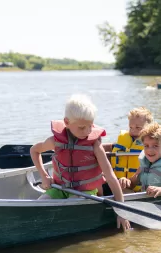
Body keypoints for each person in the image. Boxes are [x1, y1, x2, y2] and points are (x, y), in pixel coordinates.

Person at [30, 94, 130, 231]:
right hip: (60, 189)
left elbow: (111, 177)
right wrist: (43, 175)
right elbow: (34, 151)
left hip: (84, 192)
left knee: (72, 206)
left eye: (90, 126)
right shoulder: (55, 141)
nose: (88, 131)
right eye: (82, 127)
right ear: (66, 122)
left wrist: (121, 212)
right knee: (38, 207)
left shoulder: (94, 145)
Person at [102, 107, 154, 194]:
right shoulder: (125, 140)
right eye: (131, 127)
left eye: (138, 128)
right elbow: (109, 147)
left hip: (137, 187)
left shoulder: (151, 145)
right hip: (118, 182)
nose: (133, 131)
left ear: (148, 128)